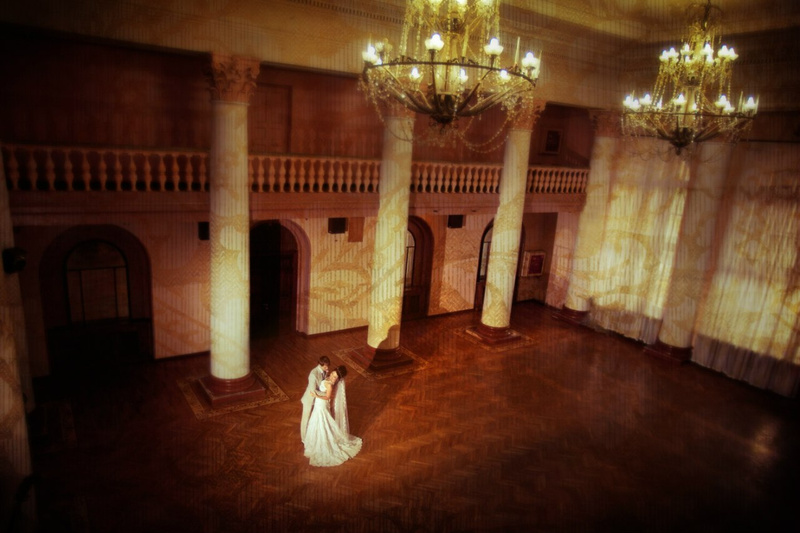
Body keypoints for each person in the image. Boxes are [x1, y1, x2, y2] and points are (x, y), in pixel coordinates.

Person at [303, 365, 362, 467]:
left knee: (322, 421)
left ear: (338, 379)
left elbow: (327, 397)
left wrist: (316, 395)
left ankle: (323, 441)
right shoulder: (328, 378)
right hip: (319, 404)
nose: (332, 377)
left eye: (334, 377)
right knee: (318, 420)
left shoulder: (330, 385)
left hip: (321, 404)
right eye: (332, 374)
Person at [300, 356, 329, 444]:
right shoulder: (313, 374)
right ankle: (304, 439)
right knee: (305, 419)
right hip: (309, 399)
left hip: (317, 399)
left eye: (327, 366)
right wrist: (326, 394)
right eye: (325, 366)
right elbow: (313, 391)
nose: (327, 368)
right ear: (320, 364)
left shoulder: (324, 371)